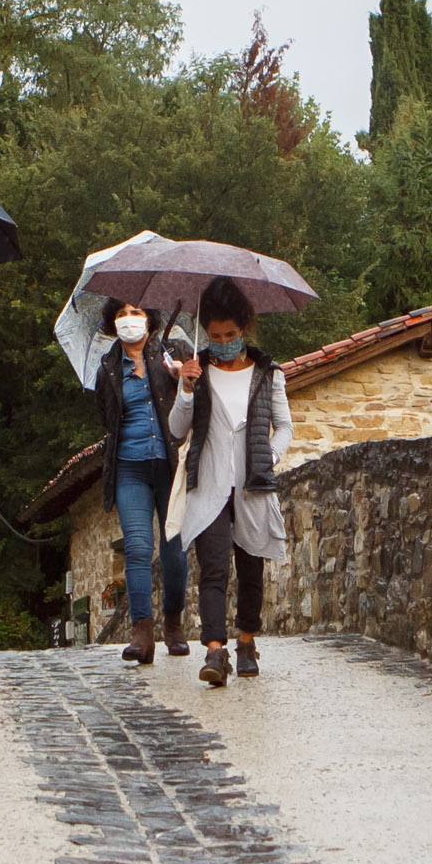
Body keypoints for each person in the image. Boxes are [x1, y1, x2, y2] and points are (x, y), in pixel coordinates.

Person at [166, 276, 291, 690]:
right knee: (214, 567)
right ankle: (214, 651)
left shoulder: (268, 373)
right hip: (209, 484)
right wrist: (186, 389)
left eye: (230, 335)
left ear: (244, 328)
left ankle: (247, 641)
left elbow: (285, 427)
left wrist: (269, 456)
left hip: (253, 484)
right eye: (215, 336)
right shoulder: (195, 371)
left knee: (251, 566)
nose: (222, 342)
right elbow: (177, 429)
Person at [88, 293, 192, 665]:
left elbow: (197, 400)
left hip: (170, 466)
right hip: (129, 468)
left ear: (150, 318)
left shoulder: (174, 352)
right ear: (111, 322)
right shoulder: (107, 367)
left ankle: (173, 622)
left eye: (135, 312)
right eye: (121, 313)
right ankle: (141, 632)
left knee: (174, 551)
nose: (129, 318)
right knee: (136, 546)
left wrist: (183, 380)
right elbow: (107, 418)